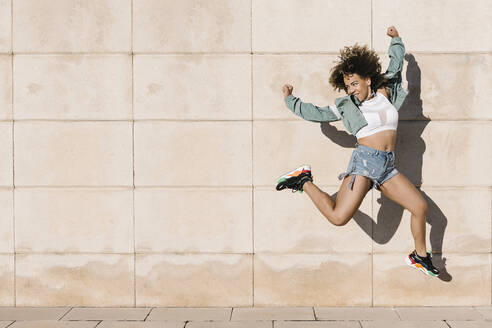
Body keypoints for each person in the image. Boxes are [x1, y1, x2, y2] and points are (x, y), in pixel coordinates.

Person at [276, 26, 439, 277]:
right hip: (364, 163)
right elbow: (318, 113)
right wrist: (291, 100)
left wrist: (396, 40)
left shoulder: (385, 92)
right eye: (347, 86)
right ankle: (304, 181)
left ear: (368, 79)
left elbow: (396, 66)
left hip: (387, 166)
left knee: (419, 206)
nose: (351, 89)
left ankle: (420, 256)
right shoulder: (348, 106)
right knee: (338, 217)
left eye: (354, 83)